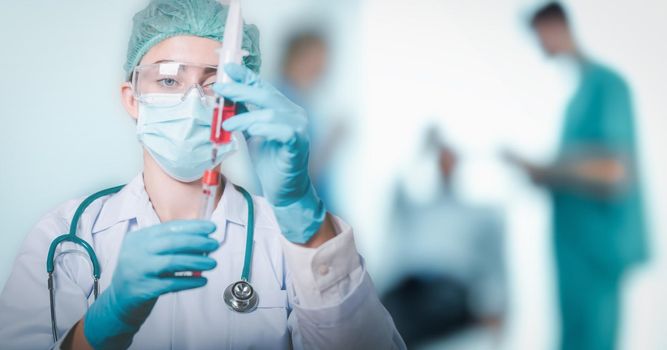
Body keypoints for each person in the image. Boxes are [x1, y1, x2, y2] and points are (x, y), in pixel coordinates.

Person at [0, 1, 405, 349]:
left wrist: (303, 215)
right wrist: (103, 325)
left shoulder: (295, 244)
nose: (192, 103)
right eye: (169, 80)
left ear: (242, 105)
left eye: (214, 85)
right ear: (132, 99)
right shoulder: (66, 238)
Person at [505, 3, 648, 350]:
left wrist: (547, 169)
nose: (537, 45)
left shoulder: (607, 85)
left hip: (596, 251)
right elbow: (577, 171)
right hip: (573, 252)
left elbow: (614, 171)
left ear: (555, 26)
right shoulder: (576, 101)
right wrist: (540, 175)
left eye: (538, 35)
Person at [382, 127, 506, 348]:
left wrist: (496, 310)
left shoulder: (481, 214)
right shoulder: (418, 208)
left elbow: (496, 267)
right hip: (407, 288)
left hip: (450, 290)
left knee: (406, 323)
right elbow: (394, 193)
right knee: (375, 316)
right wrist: (420, 152)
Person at [275, 31, 346, 212]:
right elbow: (297, 176)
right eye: (321, 57)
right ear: (301, 57)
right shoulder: (283, 103)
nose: (326, 66)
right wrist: (333, 141)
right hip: (298, 218)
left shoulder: (301, 101)